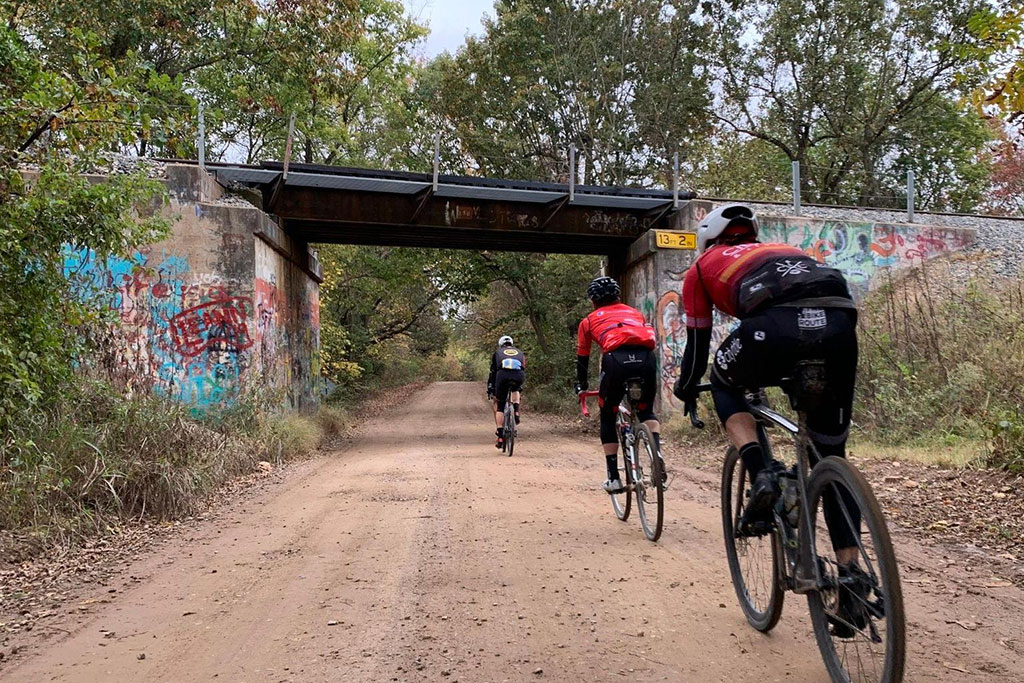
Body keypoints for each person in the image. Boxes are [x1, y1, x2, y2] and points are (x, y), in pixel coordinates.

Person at [671, 203, 866, 636]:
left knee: (723, 382)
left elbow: (698, 346)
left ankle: (762, 473)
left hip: (772, 327)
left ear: (707, 241)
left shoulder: (701, 268)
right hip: (838, 321)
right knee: (829, 451)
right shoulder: (784, 249)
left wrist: (686, 387)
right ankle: (853, 577)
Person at [574, 276, 663, 493]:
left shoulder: (588, 321)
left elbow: (582, 359)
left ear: (593, 301)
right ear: (618, 296)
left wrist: (581, 385)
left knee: (608, 412)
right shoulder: (635, 313)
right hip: (647, 359)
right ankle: (657, 455)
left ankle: (614, 478)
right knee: (647, 411)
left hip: (616, 361)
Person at [487, 335, 525, 449]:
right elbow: (523, 367)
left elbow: (493, 372)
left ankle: (500, 435)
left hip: (502, 375)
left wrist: (491, 388)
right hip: (518, 375)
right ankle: (516, 410)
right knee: (516, 389)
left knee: (500, 405)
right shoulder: (520, 352)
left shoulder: (498, 353)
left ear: (500, 344)